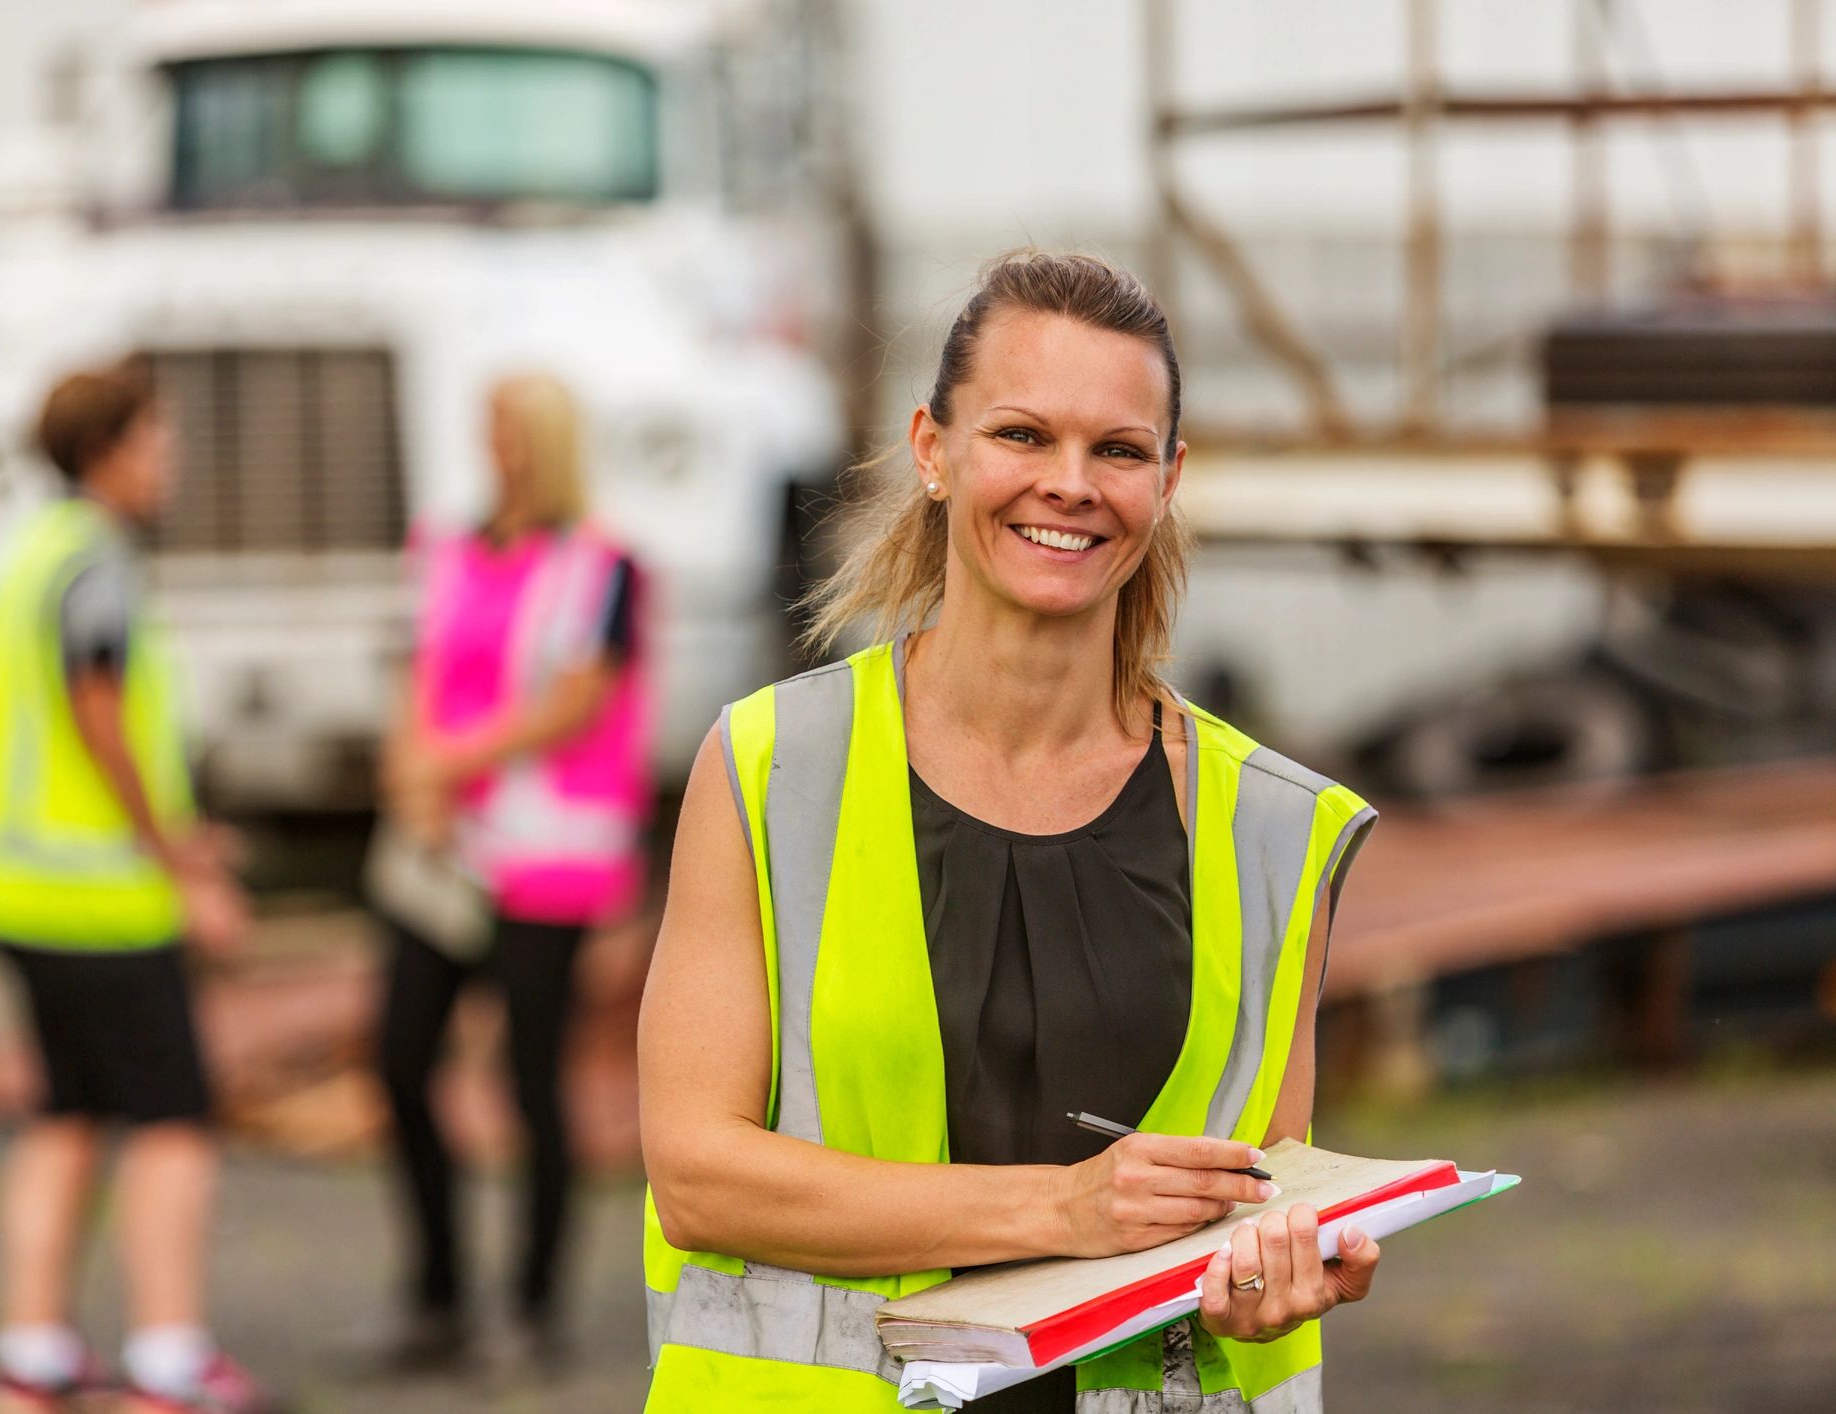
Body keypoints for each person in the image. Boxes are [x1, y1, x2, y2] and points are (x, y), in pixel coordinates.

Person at [638, 251, 1383, 1413]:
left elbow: (1257, 1196)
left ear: (1169, 477)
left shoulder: (1275, 827)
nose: (1071, 484)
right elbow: (695, 1174)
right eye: (1024, 435)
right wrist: (1061, 1208)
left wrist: (1275, 1273)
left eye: (1119, 449)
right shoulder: (769, 767)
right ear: (934, 449)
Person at [0, 361, 266, 1414]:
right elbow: (98, 707)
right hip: (93, 901)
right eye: (158, 438)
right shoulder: (100, 564)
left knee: (68, 1109)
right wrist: (182, 859)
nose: (173, 458)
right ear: (108, 448)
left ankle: (32, 1353)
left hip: (8, 890)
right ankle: (167, 1360)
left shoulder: (33, 552)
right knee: (172, 1117)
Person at [372, 370, 652, 1366]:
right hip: (442, 851)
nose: (493, 446)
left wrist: (451, 760)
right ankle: (439, 1296)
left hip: (546, 861)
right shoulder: (447, 546)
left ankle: (533, 1309)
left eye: (506, 428)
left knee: (534, 1081)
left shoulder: (601, 563)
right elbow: (419, 667)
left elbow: (577, 697)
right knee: (401, 1060)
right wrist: (413, 778)